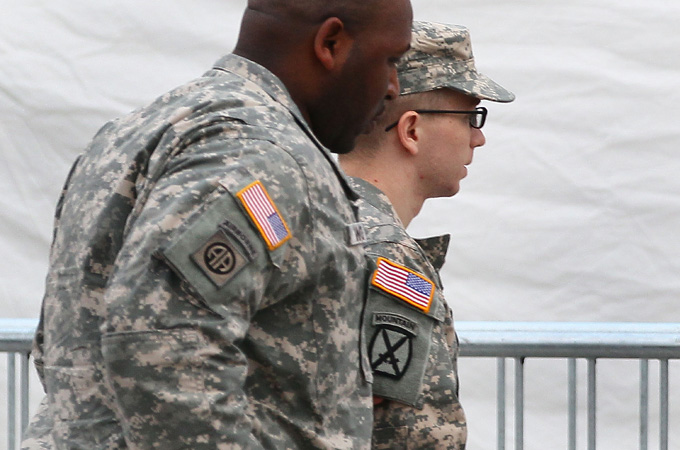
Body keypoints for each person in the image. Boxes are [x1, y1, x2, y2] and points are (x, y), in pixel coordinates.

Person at [21, 1, 413, 448]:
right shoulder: (264, 155)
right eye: (390, 60)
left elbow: (67, 345)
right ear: (331, 43)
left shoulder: (138, 131)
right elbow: (164, 343)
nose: (393, 88)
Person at [339, 21, 515, 449]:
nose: (479, 138)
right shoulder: (385, 254)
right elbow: (409, 437)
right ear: (411, 130)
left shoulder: (312, 214)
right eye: (470, 117)